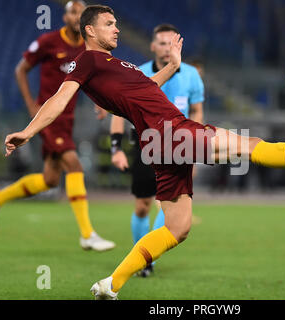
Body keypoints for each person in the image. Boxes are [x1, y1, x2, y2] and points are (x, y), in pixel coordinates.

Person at [3, 5, 285, 300]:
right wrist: (30, 131)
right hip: (170, 132)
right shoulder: (87, 61)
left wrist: (172, 66)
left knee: (178, 227)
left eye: (117, 23)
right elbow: (58, 99)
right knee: (249, 147)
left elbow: (140, 90)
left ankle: (111, 284)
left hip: (159, 142)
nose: (117, 29)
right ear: (90, 31)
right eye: (109, 24)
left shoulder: (120, 65)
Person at [0, 1, 115, 252]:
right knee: (74, 164)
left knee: (51, 180)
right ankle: (87, 234)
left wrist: (100, 102)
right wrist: (32, 105)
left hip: (67, 119)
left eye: (81, 12)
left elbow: (92, 80)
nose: (77, 17)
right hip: (47, 117)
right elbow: (21, 69)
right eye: (73, 12)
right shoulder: (48, 42)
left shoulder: (88, 51)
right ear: (64, 16)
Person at [109, 23, 205, 277]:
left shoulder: (192, 75)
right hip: (145, 144)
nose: (166, 49)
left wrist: (195, 149)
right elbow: (118, 114)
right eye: (162, 43)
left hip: (179, 147)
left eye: (171, 43)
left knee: (168, 205)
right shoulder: (137, 74)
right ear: (152, 46)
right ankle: (144, 257)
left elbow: (196, 112)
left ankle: (146, 259)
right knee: (142, 205)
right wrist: (116, 148)